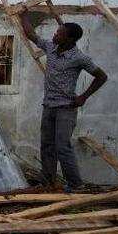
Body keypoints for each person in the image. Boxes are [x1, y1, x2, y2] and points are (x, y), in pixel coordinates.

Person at [19, 12, 108, 192]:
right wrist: (24, 16)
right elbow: (31, 35)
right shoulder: (51, 47)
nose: (55, 35)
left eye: (59, 33)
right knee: (47, 146)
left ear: (70, 39)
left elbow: (101, 76)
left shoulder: (79, 57)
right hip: (49, 106)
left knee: (62, 147)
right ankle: (49, 182)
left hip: (66, 108)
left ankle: (76, 184)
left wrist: (83, 96)